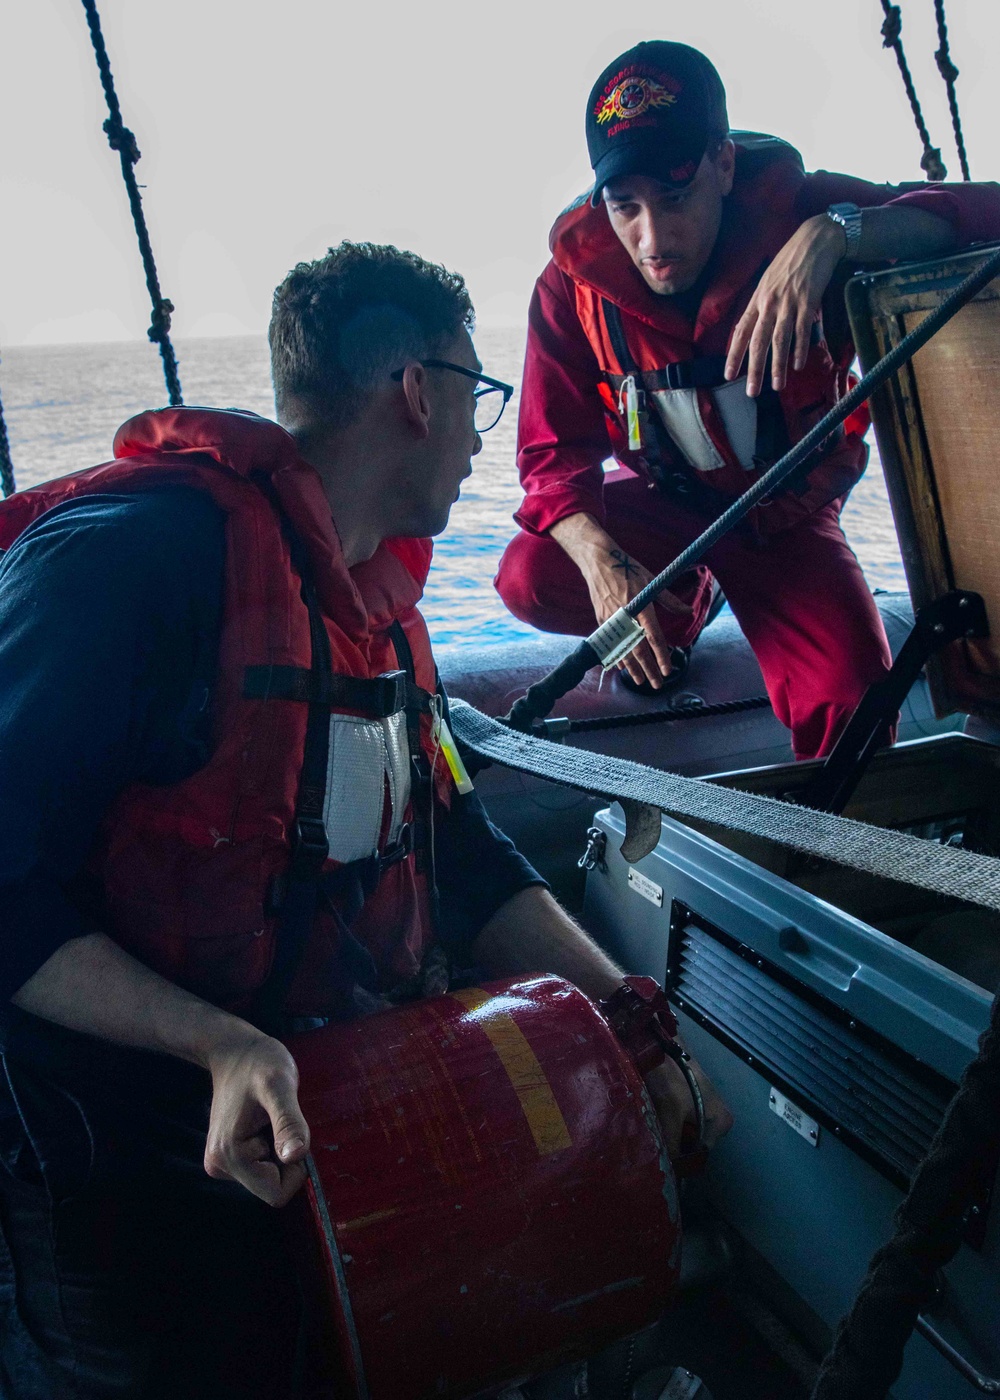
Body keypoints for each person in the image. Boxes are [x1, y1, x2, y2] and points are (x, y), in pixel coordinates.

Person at [0, 242, 729, 1400]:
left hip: (315, 1132)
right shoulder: (134, 560)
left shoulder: (368, 605)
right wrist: (218, 1043)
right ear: (418, 390)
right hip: (119, 1177)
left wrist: (633, 1024)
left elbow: (458, 851)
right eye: (477, 397)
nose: (483, 434)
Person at [495, 41, 1000, 759]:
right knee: (530, 573)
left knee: (855, 711)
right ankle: (682, 606)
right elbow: (551, 456)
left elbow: (988, 213)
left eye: (675, 198)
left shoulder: (805, 211)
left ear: (724, 165)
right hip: (669, 513)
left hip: (788, 526)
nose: (652, 237)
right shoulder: (570, 286)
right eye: (625, 206)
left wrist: (839, 234)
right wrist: (603, 566)